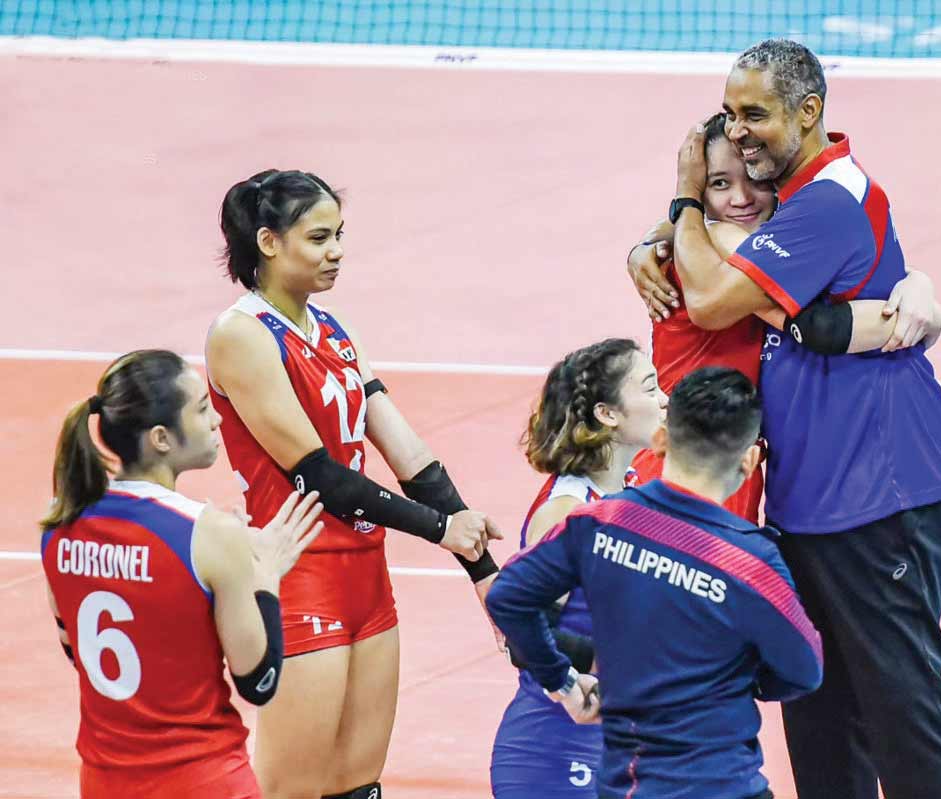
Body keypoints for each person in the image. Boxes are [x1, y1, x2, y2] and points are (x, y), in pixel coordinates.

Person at [667, 39, 941, 799]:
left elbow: (710, 300)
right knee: (818, 708)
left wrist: (677, 202)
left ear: (808, 112)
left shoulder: (829, 201)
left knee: (902, 708)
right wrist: (654, 240)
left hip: (880, 495)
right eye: (731, 114)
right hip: (808, 502)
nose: (739, 131)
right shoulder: (793, 201)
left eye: (755, 115)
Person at [205, 169, 502, 799]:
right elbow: (318, 475)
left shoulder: (334, 330)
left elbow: (408, 453)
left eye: (339, 234)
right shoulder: (241, 335)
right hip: (302, 572)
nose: (337, 250)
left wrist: (484, 570)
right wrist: (442, 531)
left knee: (358, 784)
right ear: (268, 241)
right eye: (318, 237)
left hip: (366, 575)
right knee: (292, 787)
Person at [487, 367, 823, 799]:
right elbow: (804, 672)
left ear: (662, 441)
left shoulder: (599, 524)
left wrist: (563, 680)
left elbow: (508, 598)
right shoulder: (751, 561)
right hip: (724, 782)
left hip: (628, 781)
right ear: (749, 460)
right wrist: (735, 679)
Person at [627, 113, 941, 522]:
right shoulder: (703, 258)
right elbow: (824, 326)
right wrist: (924, 307)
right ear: (700, 196)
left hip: (737, 470)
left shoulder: (779, 256)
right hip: (684, 469)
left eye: (755, 181)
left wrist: (917, 284)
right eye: (720, 183)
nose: (741, 198)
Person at [40, 349, 324, 798]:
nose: (217, 422)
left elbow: (80, 652)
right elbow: (259, 681)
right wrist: (264, 576)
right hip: (202, 780)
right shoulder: (208, 534)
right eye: (202, 409)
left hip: (104, 782)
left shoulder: (59, 527)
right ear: (161, 438)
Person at [490, 338, 667, 798]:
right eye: (650, 389)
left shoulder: (631, 491)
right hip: (559, 745)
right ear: (608, 415)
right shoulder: (568, 511)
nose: (664, 398)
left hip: (618, 739)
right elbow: (527, 637)